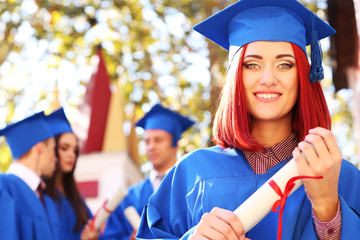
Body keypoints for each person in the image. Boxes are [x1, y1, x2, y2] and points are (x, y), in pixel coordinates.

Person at [136, 0, 360, 239]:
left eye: (285, 64)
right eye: (252, 64)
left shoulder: (340, 176)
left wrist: (328, 210)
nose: (268, 78)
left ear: (303, 76)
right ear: (235, 77)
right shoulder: (192, 173)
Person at [102, 103, 195, 240]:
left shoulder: (191, 190)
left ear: (175, 143)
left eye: (158, 140)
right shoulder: (129, 198)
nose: (151, 147)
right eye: (147, 141)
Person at [0, 111, 66, 239]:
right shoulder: (4, 188)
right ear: (39, 147)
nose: (56, 159)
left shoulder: (48, 203)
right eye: (53, 149)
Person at [43, 108, 99, 240]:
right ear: (52, 149)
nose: (71, 155)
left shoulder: (76, 198)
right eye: (64, 148)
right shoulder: (41, 194)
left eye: (75, 150)